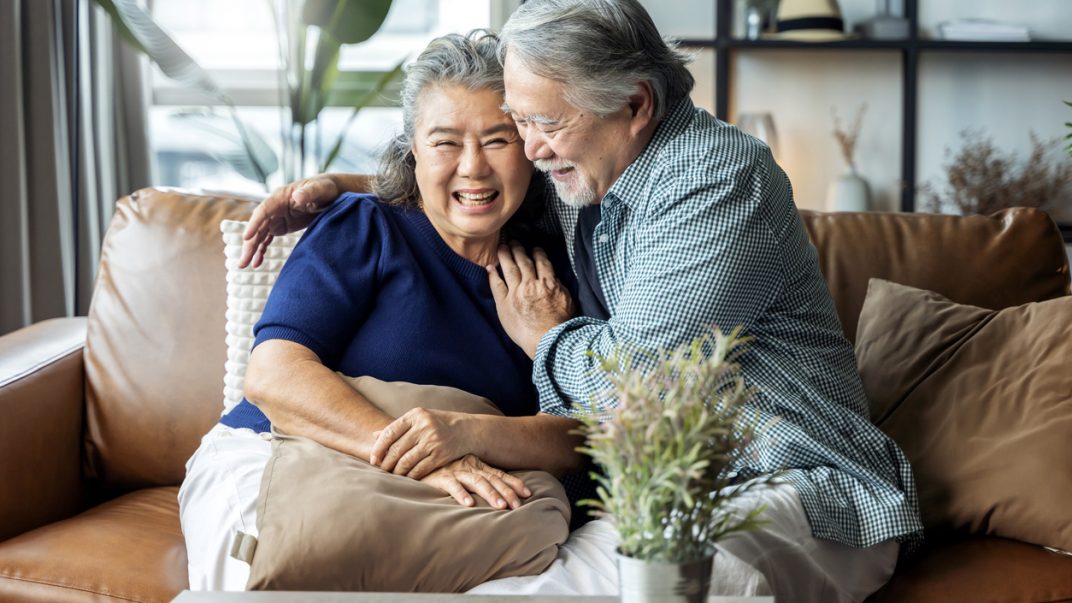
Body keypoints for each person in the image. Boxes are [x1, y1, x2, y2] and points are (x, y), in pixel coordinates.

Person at [241, 2, 926, 601]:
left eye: (541, 125)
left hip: (794, 484)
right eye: (522, 123)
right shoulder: (587, 168)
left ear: (634, 105)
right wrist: (346, 183)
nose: (532, 150)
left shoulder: (715, 183)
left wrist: (546, 337)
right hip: (668, 486)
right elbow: (471, 173)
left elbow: (637, 387)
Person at [178, 29, 587, 591]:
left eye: (498, 140)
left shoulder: (553, 276)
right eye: (445, 142)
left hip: (461, 490)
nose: (473, 168)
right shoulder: (366, 225)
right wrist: (426, 454)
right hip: (290, 452)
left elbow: (582, 437)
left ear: (532, 147)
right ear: (411, 149)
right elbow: (273, 375)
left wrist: (538, 356)